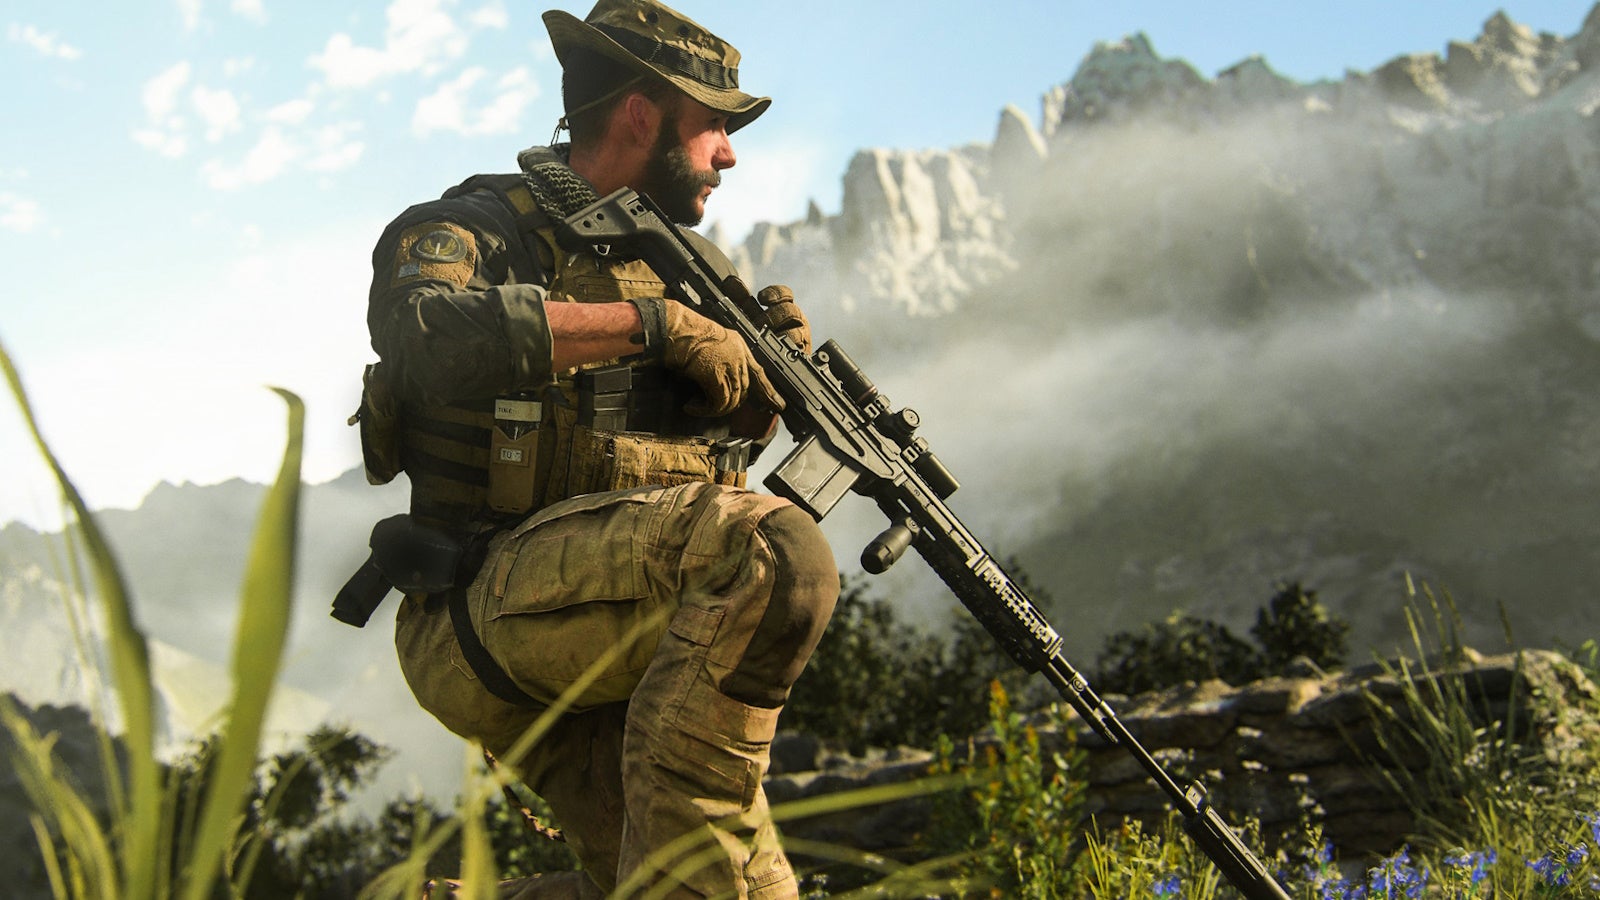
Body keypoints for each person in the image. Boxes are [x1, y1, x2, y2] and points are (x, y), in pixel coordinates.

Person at [348, 1, 840, 896]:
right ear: (642, 114)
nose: (729, 152)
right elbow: (420, 330)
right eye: (715, 126)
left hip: (625, 625)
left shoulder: (695, 269)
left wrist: (766, 385)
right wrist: (651, 327)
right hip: (479, 603)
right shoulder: (477, 225)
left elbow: (715, 450)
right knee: (775, 553)